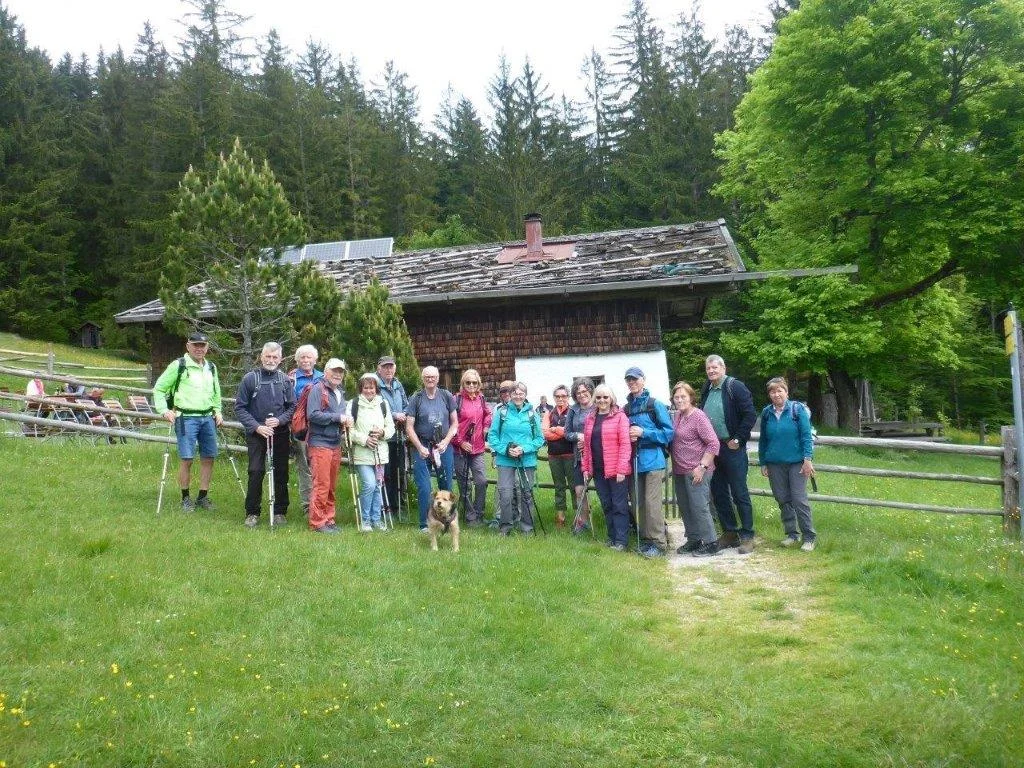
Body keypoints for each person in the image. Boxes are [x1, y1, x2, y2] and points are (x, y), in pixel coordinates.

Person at [152, 332, 223, 512]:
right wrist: (164, 410)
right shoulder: (179, 366)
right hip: (185, 417)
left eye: (202, 345)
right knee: (187, 459)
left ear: (207, 347)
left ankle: (203, 496)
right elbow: (159, 389)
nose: (199, 349)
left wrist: (218, 411)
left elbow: (216, 393)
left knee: (209, 457)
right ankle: (185, 498)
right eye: (195, 345)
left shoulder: (211, 367)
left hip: (208, 418)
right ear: (188, 346)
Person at [700, 354, 758, 554]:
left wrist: (738, 439)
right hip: (713, 449)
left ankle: (748, 535)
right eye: (708, 368)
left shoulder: (735, 387)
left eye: (715, 367)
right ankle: (730, 532)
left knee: (739, 492)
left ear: (723, 368)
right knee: (719, 492)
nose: (711, 371)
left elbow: (750, 414)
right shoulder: (706, 389)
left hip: (732, 447)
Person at [235, 341, 296, 528]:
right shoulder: (250, 379)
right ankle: (252, 512)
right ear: (261, 357)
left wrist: (280, 420)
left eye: (274, 357)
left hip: (280, 433)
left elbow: (292, 406)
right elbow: (240, 407)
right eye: (267, 356)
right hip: (257, 434)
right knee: (255, 471)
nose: (271, 360)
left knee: (281, 472)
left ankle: (279, 511)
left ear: (280, 358)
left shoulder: (285, 380)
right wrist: (256, 427)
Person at [758, 377, 818, 551]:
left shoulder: (797, 410)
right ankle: (792, 534)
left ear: (786, 392)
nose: (776, 394)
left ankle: (809, 537)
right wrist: (763, 462)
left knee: (799, 499)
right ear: (769, 394)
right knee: (783, 499)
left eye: (779, 390)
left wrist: (808, 459)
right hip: (774, 463)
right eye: (772, 391)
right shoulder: (767, 412)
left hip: (797, 463)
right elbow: (763, 440)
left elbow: (806, 436)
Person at [624, 367, 674, 558]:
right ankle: (646, 540)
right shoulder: (626, 408)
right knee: (638, 502)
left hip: (653, 459)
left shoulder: (655, 405)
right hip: (634, 461)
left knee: (652, 503)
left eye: (635, 379)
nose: (632, 382)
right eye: (628, 380)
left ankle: (659, 544)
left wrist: (644, 433)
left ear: (643, 380)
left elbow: (669, 433)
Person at [670, 381, 721, 557]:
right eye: (676, 397)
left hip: (697, 470)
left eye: (683, 396)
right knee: (685, 506)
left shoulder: (698, 416)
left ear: (691, 397)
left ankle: (711, 542)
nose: (679, 400)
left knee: (699, 507)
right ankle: (694, 539)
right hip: (680, 469)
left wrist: (702, 467)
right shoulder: (677, 416)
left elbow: (713, 443)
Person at [487, 381, 545, 535]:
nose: (518, 396)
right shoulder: (502, 413)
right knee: (505, 494)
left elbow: (539, 439)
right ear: (510, 395)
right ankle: (505, 527)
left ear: (525, 395)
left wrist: (524, 449)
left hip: (527, 460)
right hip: (505, 459)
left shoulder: (532, 414)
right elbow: (492, 436)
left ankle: (527, 528)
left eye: (521, 393)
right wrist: (505, 450)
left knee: (526, 494)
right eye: (515, 393)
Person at [406, 365, 459, 532]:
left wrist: (446, 441)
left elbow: (455, 423)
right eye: (427, 377)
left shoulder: (446, 396)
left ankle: (447, 521)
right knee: (424, 486)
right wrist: (419, 447)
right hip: (422, 446)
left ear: (438, 378)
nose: (430, 379)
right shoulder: (417, 398)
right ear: (423, 378)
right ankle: (425, 524)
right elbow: (409, 427)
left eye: (433, 377)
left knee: (446, 485)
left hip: (443, 446)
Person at [582, 384, 632, 551]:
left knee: (619, 505)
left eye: (605, 397)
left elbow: (625, 444)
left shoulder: (620, 417)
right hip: (598, 469)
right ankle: (611, 538)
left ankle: (621, 541)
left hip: (616, 470)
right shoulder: (590, 418)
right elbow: (587, 447)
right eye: (598, 397)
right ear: (594, 399)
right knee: (607, 504)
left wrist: (621, 469)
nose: (602, 400)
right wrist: (586, 468)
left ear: (612, 399)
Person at [306, 358, 351, 533]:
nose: (337, 374)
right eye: (334, 371)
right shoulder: (318, 389)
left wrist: (345, 422)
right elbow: (313, 415)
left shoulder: (340, 392)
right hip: (320, 444)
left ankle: (329, 519)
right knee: (322, 484)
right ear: (325, 372)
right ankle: (317, 522)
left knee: (331, 485)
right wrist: (337, 418)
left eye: (340, 371)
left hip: (335, 443)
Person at [349, 372, 395, 531]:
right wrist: (365, 439)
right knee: (369, 484)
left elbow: (391, 428)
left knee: (377, 485)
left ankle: (377, 519)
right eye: (365, 387)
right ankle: (366, 520)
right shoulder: (353, 404)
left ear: (376, 389)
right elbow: (349, 430)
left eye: (372, 387)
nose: (369, 390)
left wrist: (382, 433)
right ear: (361, 388)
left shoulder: (383, 404)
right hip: (362, 454)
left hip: (380, 453)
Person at [289, 344, 323, 519]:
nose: (306, 360)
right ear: (297, 360)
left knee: (320, 466)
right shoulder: (292, 379)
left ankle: (320, 503)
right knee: (305, 467)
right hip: (302, 429)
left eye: (309, 357)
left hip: (320, 429)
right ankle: (307, 506)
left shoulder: (323, 377)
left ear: (315, 360)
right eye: (302, 357)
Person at [454, 369, 492, 526]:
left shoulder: (481, 399)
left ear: (479, 384)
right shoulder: (456, 400)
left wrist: (485, 427)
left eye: (474, 382)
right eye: (468, 382)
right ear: (463, 383)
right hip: (460, 449)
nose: (471, 385)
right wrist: (460, 442)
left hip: (477, 448)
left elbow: (488, 414)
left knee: (481, 481)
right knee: (464, 484)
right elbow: (450, 424)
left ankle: (479, 514)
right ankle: (470, 517)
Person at [375, 355, 409, 521]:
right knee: (385, 474)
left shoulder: (397, 384)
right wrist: (395, 415)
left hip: (399, 437)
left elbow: (406, 403)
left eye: (391, 366)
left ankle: (396, 506)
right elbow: (378, 407)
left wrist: (405, 414)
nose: (389, 369)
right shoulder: (375, 384)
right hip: (383, 438)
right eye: (385, 367)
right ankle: (384, 507)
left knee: (398, 473)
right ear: (379, 368)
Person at [565, 377, 596, 535]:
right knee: (579, 491)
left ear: (591, 390)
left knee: (606, 492)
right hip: (580, 457)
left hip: (599, 456)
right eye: (578, 392)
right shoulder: (573, 410)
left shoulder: (599, 406)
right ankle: (583, 522)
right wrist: (578, 436)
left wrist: (588, 439)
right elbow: (567, 433)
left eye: (584, 391)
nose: (582, 395)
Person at [542, 384, 575, 526]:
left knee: (575, 487)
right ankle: (560, 517)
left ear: (568, 397)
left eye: (563, 396)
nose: (560, 398)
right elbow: (545, 433)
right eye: (557, 396)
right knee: (559, 487)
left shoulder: (574, 411)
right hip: (554, 456)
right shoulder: (549, 413)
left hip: (570, 455)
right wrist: (562, 432)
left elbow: (571, 433)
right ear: (554, 397)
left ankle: (579, 518)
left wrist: (556, 429)